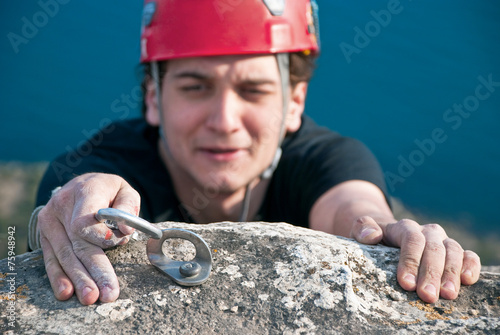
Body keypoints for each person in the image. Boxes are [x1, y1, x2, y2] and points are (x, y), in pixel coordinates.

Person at [29, 0, 480, 306]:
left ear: (295, 103)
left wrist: (384, 234)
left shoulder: (328, 159)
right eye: (195, 87)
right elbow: (79, 190)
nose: (224, 120)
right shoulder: (105, 159)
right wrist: (74, 202)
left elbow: (354, 208)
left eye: (253, 89)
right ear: (152, 98)